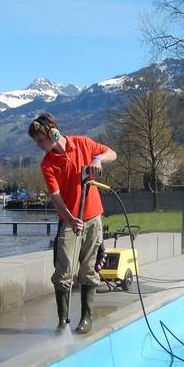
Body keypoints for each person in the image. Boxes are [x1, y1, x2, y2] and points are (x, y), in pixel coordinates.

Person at [28, 112, 117, 334]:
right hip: (69, 221)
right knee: (63, 271)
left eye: (40, 140)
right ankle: (62, 322)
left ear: (53, 133)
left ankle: (86, 319)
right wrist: (70, 219)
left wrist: (97, 159)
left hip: (93, 216)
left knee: (89, 269)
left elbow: (112, 153)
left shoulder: (83, 143)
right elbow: (56, 197)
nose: (38, 146)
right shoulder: (47, 164)